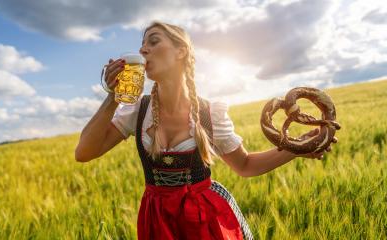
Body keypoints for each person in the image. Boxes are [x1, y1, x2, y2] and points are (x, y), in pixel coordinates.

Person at [75, 21, 336, 240]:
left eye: (153, 41)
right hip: (156, 220)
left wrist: (298, 146)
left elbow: (245, 166)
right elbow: (84, 153)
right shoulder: (136, 111)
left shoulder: (210, 114)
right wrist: (114, 96)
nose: (143, 49)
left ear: (180, 51)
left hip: (204, 220)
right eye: (142, 44)